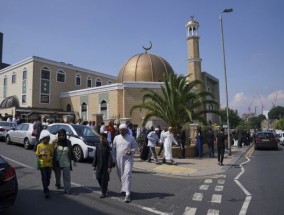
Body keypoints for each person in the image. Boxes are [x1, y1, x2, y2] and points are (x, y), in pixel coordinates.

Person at [112, 124, 138, 203]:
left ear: (126, 130)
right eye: (120, 130)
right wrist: (113, 158)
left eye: (123, 130)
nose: (121, 131)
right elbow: (113, 149)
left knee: (127, 174)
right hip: (118, 159)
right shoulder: (116, 138)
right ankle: (124, 188)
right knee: (121, 174)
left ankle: (127, 194)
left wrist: (131, 151)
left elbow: (136, 148)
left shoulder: (131, 138)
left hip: (128, 159)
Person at [52, 129, 76, 195]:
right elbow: (51, 152)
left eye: (63, 135)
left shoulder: (68, 142)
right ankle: (58, 183)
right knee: (57, 175)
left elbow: (71, 151)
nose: (61, 136)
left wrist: (74, 160)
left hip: (66, 162)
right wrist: (54, 148)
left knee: (67, 177)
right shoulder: (55, 142)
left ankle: (67, 189)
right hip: (57, 162)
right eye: (60, 135)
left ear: (65, 135)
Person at [92, 133, 113, 198]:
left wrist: (109, 166)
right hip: (99, 165)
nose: (101, 139)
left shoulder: (108, 147)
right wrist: (94, 165)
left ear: (106, 139)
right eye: (100, 138)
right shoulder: (98, 146)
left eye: (103, 138)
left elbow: (110, 157)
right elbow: (95, 156)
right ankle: (104, 188)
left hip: (105, 165)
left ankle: (103, 192)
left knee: (104, 179)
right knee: (98, 177)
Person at [35, 130, 54, 198]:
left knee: (48, 178)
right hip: (42, 164)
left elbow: (52, 154)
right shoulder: (39, 146)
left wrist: (51, 157)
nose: (48, 140)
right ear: (42, 138)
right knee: (44, 177)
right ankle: (46, 190)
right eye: (46, 138)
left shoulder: (50, 145)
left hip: (49, 164)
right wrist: (41, 154)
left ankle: (46, 186)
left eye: (48, 138)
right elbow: (37, 154)